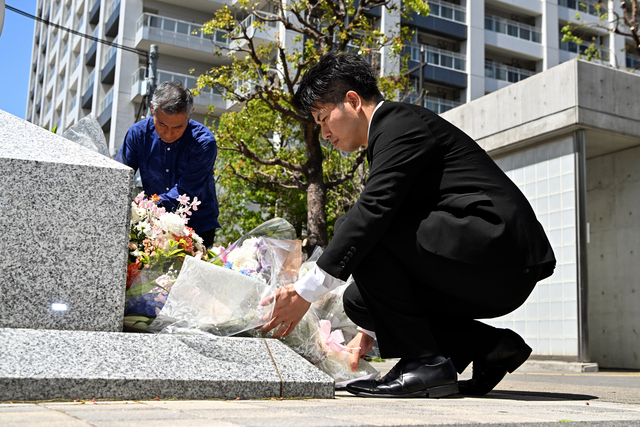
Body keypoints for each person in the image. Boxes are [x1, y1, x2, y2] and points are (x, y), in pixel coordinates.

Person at [259, 52, 556, 399]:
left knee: (354, 225)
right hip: (480, 263)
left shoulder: (400, 123)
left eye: (324, 119)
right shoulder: (392, 132)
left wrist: (303, 293)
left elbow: (373, 213)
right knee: (359, 302)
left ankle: (425, 363)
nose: (324, 133)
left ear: (352, 101)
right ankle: (490, 346)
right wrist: (370, 330)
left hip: (499, 253)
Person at [116, 81, 220, 247]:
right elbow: (119, 178)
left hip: (197, 225)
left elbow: (184, 193)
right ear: (152, 109)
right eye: (162, 124)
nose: (169, 134)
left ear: (190, 115)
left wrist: (144, 206)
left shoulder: (203, 143)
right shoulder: (138, 134)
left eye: (178, 127)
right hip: (152, 222)